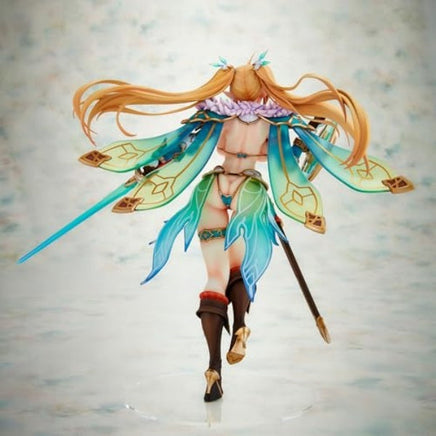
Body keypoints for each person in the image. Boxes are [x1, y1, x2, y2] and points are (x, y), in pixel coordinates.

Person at [22, 53, 414, 402]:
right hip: (249, 192)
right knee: (239, 268)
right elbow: (293, 162)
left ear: (229, 87)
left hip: (211, 189)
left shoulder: (214, 115)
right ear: (264, 88)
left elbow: (177, 148)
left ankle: (213, 370)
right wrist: (310, 140)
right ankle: (241, 328)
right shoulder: (276, 121)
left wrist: (146, 169)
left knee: (214, 275)